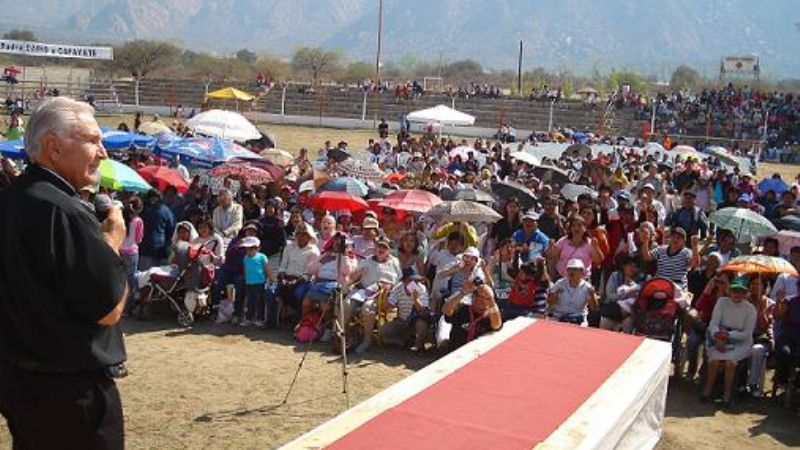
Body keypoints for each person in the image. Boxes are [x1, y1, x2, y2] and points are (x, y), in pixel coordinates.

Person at [0, 97, 128, 448]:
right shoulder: (63, 210)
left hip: (21, 381)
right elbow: (108, 309)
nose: (102, 152)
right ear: (53, 147)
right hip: (70, 391)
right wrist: (111, 242)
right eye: (92, 140)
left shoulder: (14, 198)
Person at [701, 277, 756, 407]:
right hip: (719, 337)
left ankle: (727, 395)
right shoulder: (721, 302)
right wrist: (717, 336)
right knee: (714, 361)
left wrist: (728, 335)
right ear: (729, 291)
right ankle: (707, 391)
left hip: (741, 342)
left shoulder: (750, 309)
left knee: (730, 363)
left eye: (740, 291)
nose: (737, 294)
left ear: (745, 293)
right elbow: (713, 323)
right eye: (734, 291)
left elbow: (747, 334)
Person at [380, 268, 433, 352]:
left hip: (416, 320)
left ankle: (418, 345)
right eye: (411, 280)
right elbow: (388, 308)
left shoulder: (421, 288)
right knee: (384, 330)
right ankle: (406, 340)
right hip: (402, 321)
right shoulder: (398, 288)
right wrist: (385, 294)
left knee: (421, 323)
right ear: (404, 281)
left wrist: (416, 299)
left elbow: (422, 310)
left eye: (416, 280)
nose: (414, 283)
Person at [442, 282, 502, 351]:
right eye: (477, 295)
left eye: (485, 297)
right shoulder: (463, 309)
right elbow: (445, 311)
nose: (479, 299)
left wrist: (491, 298)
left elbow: (497, 325)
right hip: (457, 353)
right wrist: (463, 293)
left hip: (478, 353)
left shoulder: (491, 315)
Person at [546, 259, 598, 324]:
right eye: (569, 269)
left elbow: (594, 308)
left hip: (578, 319)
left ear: (581, 272)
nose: (571, 272)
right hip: (559, 317)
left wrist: (592, 296)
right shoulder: (560, 283)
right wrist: (554, 296)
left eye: (575, 269)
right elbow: (550, 303)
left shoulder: (587, 287)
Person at [139, 189, 176, 270]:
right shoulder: (166, 210)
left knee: (142, 272)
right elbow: (171, 228)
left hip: (144, 245)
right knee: (155, 271)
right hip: (159, 246)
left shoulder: (143, 208)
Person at [120, 195, 144, 314]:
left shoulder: (121, 218)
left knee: (120, 279)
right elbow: (138, 239)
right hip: (132, 252)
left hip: (120, 250)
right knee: (130, 281)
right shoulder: (138, 221)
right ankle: (127, 308)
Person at [240, 236, 270, 327]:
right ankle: (249, 318)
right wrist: (246, 278)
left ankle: (259, 318)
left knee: (259, 302)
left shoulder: (262, 257)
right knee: (250, 301)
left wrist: (267, 279)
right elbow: (245, 269)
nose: (249, 250)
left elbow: (266, 269)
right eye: (247, 248)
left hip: (260, 283)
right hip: (249, 283)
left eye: (251, 248)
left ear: (257, 248)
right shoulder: (245, 257)